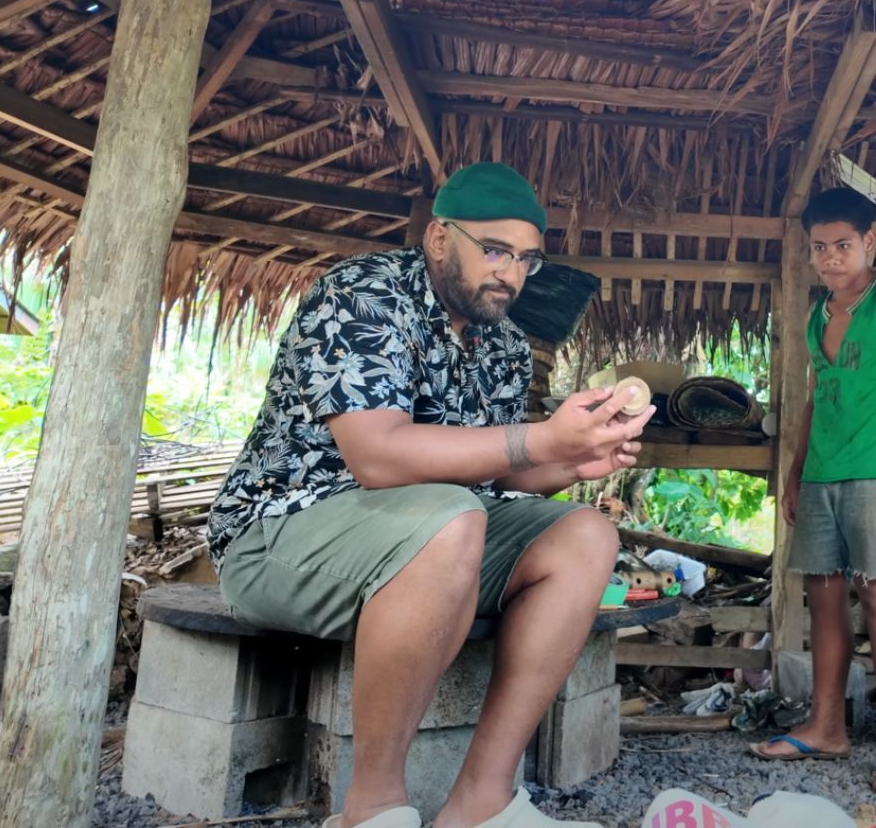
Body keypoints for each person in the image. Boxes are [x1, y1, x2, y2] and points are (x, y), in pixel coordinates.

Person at [205, 163, 653, 828]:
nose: (512, 273)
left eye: (527, 259)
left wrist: (573, 461)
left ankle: (482, 801)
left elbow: (499, 473)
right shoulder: (362, 294)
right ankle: (372, 808)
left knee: (587, 534)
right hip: (280, 535)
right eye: (495, 250)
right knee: (450, 517)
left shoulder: (503, 342)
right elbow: (378, 455)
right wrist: (540, 440)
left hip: (434, 537)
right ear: (441, 237)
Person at [748, 186, 876, 797]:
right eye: (819, 248)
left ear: (869, 242)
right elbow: (816, 401)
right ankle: (827, 726)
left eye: (842, 245)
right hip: (821, 478)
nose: (830, 257)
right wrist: (794, 474)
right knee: (824, 597)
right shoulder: (817, 315)